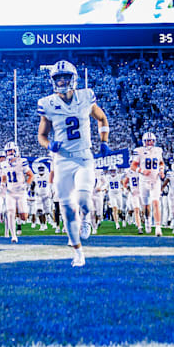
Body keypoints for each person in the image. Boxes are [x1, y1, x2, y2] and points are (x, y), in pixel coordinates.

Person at [36, 60, 110, 267]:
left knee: (85, 201)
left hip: (84, 157)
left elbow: (102, 118)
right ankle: (78, 253)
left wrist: (104, 141)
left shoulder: (86, 96)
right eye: (57, 78)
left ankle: (86, 218)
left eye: (65, 77)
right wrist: (49, 145)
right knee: (67, 209)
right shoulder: (47, 103)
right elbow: (42, 135)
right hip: (62, 160)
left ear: (73, 78)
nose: (61, 81)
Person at [131, 132, 164, 236]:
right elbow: (133, 166)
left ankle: (158, 227)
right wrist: (141, 170)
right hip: (143, 181)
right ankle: (147, 220)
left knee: (156, 202)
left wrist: (162, 170)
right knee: (146, 206)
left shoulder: (158, 150)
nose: (149, 143)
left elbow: (161, 163)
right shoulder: (139, 151)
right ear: (144, 141)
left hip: (155, 180)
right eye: (147, 141)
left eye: (151, 141)